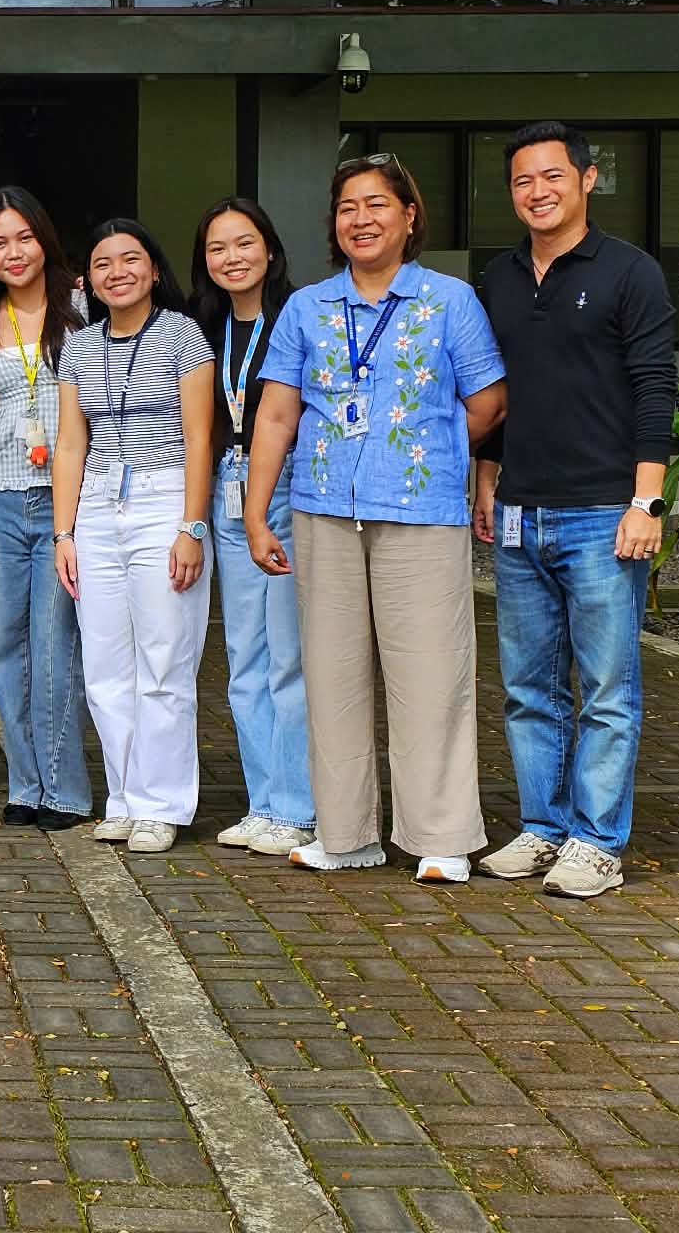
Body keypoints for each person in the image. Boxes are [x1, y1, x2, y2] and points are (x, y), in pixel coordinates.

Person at [246, 153, 507, 883]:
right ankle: (348, 833)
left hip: (421, 512)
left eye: (377, 205)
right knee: (331, 677)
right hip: (322, 510)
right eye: (347, 207)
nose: (361, 219)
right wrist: (256, 511)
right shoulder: (307, 308)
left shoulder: (449, 301)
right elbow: (275, 414)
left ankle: (441, 837)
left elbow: (488, 400)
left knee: (431, 673)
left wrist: (431, 446)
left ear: (409, 215)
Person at [473, 121, 676, 899]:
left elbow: (656, 387)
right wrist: (488, 477)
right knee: (529, 687)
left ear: (587, 180)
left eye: (553, 176)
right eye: (523, 180)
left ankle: (597, 842)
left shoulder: (630, 272)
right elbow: (497, 394)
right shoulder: (498, 277)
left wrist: (646, 500)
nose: (538, 192)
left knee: (607, 688)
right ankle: (543, 826)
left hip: (602, 513)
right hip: (521, 510)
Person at [51, 219, 215, 853]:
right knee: (105, 667)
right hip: (95, 509)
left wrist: (191, 525)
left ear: (153, 270)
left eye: (130, 259)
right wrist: (64, 532)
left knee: (165, 661)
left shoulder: (183, 336)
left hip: (161, 498)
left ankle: (162, 803)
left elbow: (201, 437)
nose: (116, 271)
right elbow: (71, 442)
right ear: (86, 279)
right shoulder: (80, 346)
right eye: (102, 263)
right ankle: (123, 796)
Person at [0, 186, 91, 831]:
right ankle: (24, 782)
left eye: (24, 237)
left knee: (56, 643)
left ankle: (64, 788)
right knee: (4, 645)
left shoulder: (85, 308)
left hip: (66, 501)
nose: (14, 252)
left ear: (45, 238)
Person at [189, 197, 314, 858]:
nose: (231, 258)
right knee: (244, 661)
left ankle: (299, 807)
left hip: (288, 489)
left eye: (243, 244)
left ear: (269, 249)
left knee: (289, 660)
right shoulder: (200, 328)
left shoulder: (300, 316)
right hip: (225, 493)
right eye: (217, 249)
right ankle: (264, 803)